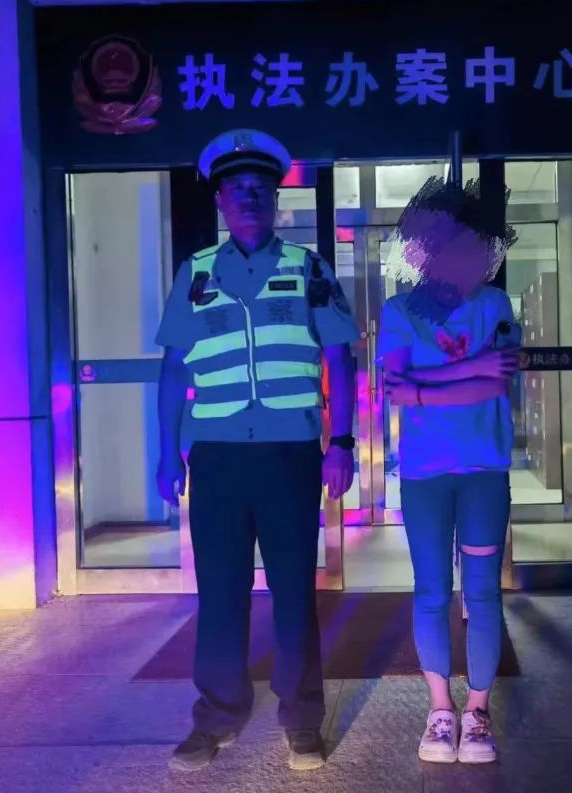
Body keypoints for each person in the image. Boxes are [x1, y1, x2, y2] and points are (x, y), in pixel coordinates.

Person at [154, 129, 358, 772]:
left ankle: (302, 721)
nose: (249, 197)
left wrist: (342, 441)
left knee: (295, 591)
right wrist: (167, 452)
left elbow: (341, 359)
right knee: (220, 592)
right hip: (215, 456)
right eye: (236, 188)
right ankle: (216, 717)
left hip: (289, 455)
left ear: (276, 199)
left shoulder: (308, 270)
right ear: (220, 200)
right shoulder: (196, 273)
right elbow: (172, 368)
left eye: (260, 188)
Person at [377, 176, 520, 765]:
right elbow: (394, 388)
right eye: (434, 240)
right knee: (432, 590)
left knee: (482, 592)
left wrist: (424, 385)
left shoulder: (494, 304)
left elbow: (498, 379)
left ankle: (478, 712)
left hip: (484, 469)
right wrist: (470, 370)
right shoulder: (399, 310)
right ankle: (440, 711)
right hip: (424, 474)